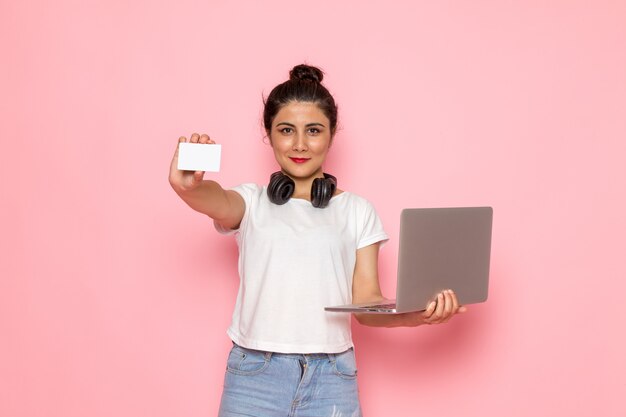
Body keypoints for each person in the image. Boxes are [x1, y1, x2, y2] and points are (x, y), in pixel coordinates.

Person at [168, 64, 466, 417]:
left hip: (332, 377)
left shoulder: (357, 210)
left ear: (331, 133)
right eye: (285, 130)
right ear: (269, 134)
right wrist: (187, 187)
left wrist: (419, 315)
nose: (299, 144)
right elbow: (211, 198)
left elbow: (367, 307)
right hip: (254, 374)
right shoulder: (250, 202)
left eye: (313, 130)